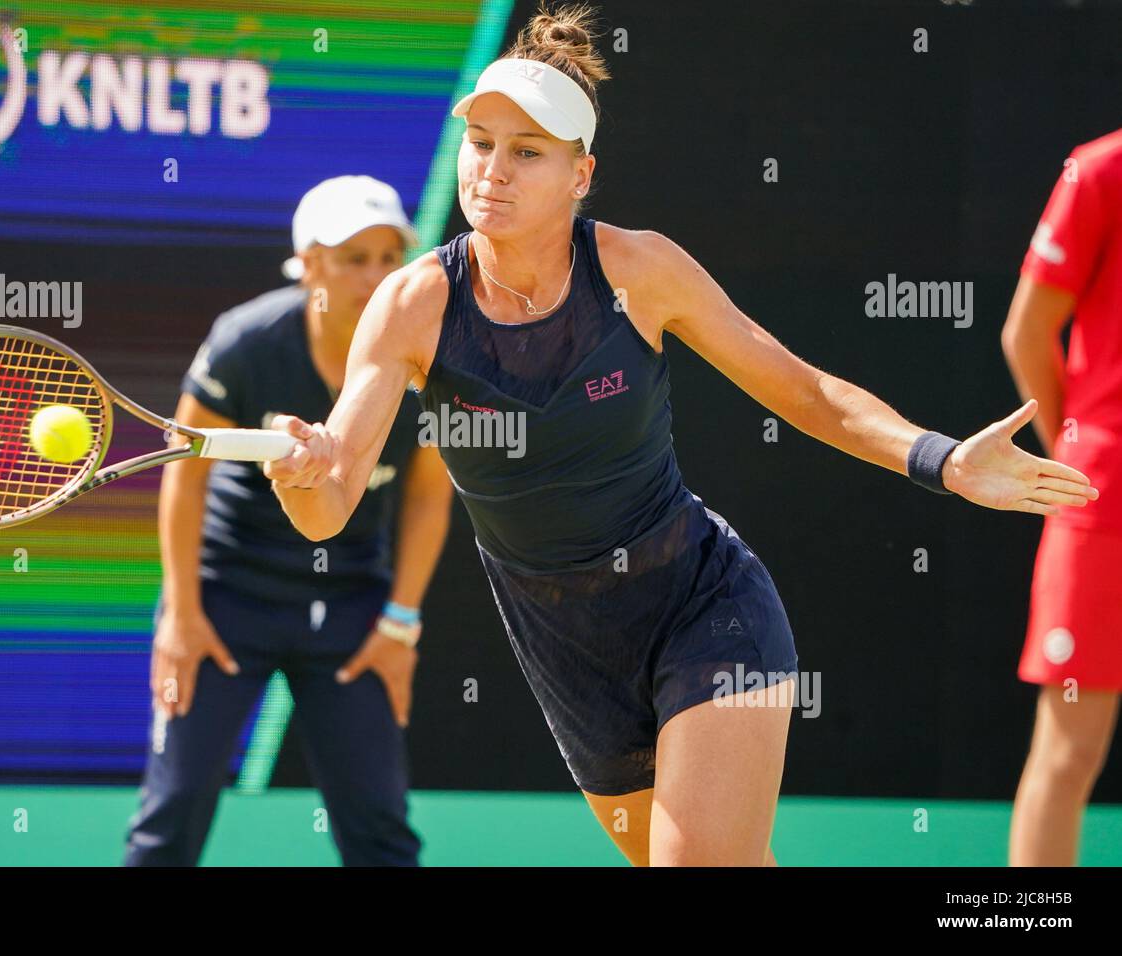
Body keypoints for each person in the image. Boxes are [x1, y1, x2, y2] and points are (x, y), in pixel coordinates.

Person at [260, 4, 1098, 866]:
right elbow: (329, 507)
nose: (492, 172)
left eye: (527, 152)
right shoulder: (412, 305)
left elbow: (805, 391)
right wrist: (304, 475)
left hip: (703, 607)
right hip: (565, 652)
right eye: (480, 143)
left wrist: (941, 458)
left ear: (581, 174)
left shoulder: (638, 269)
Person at [123, 175, 454, 866]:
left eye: (387, 257)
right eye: (350, 257)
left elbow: (429, 494)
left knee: (380, 830)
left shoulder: (426, 361)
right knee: (170, 820)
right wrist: (182, 615)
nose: (372, 276)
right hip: (226, 598)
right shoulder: (245, 342)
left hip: (351, 607)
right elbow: (185, 473)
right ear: (307, 264)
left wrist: (400, 624)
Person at [1002, 127, 1122, 867]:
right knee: (1068, 752)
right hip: (1104, 509)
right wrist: (1074, 461)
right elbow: (1027, 332)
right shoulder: (1102, 168)